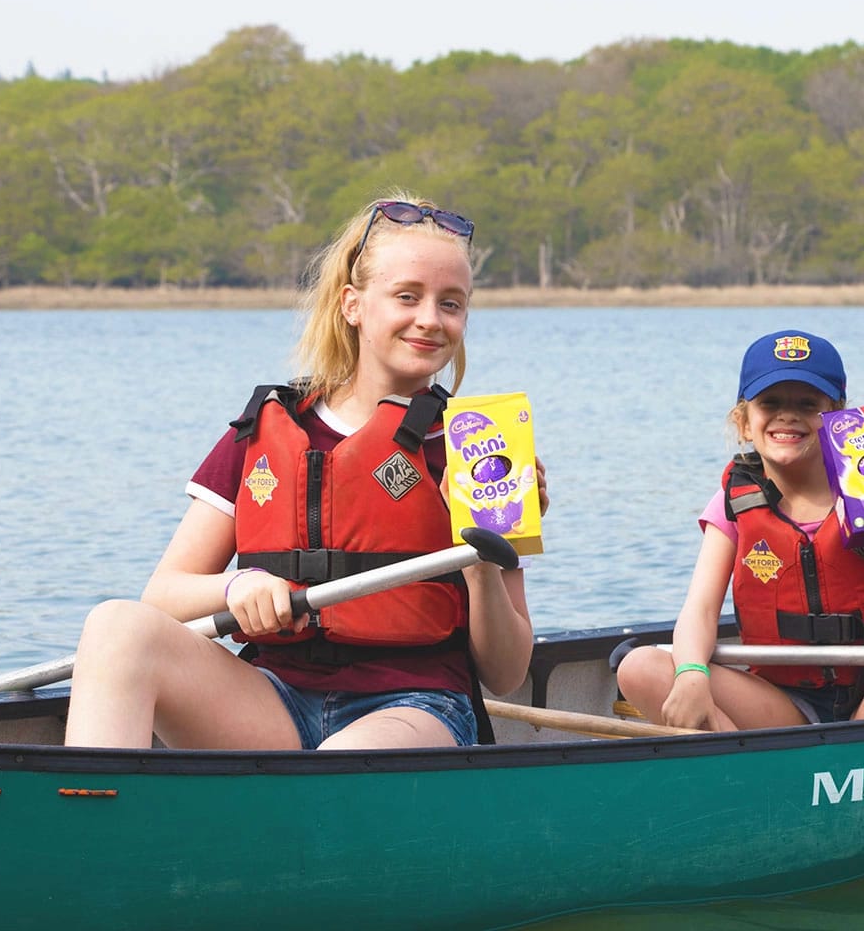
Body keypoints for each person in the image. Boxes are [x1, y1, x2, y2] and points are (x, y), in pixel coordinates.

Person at [64, 192, 543, 750]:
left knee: (341, 761)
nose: (430, 321)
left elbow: (507, 673)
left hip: (416, 704)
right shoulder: (263, 430)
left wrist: (480, 561)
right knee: (117, 627)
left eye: (452, 304)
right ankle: (92, 823)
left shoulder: (482, 447)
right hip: (273, 697)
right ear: (353, 305)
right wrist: (239, 584)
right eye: (407, 297)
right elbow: (164, 595)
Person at [616, 329, 864, 730]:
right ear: (744, 422)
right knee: (639, 667)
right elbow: (699, 610)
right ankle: (748, 777)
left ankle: (853, 776)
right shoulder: (734, 502)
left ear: (838, 417)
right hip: (785, 701)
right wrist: (691, 673)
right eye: (770, 402)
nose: (788, 415)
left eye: (807, 403)